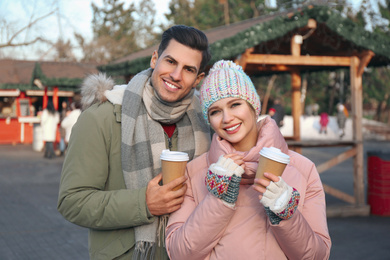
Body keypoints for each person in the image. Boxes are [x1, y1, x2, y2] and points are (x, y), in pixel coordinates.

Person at [57, 25, 212, 260]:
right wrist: (144, 204)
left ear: (198, 79)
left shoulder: (206, 125)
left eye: (188, 69)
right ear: (154, 59)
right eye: (170, 61)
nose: (176, 75)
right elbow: (72, 201)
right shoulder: (102, 117)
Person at [165, 60, 331, 259]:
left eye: (235, 104)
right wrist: (218, 199)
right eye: (215, 111)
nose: (227, 118)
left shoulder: (304, 170)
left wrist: (287, 214)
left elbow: (317, 255)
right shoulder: (193, 172)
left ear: (253, 106)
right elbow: (179, 254)